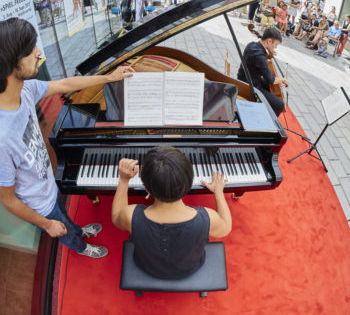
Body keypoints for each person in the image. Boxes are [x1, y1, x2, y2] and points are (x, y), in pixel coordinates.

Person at [0, 18, 135, 258]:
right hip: (38, 205)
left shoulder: (26, 89)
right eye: (32, 50)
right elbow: (8, 201)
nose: (38, 52)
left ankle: (78, 231)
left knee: (65, 220)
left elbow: (65, 83)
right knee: (61, 230)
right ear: (13, 62)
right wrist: (44, 223)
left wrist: (108, 78)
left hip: (48, 187)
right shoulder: (2, 138)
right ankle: (82, 247)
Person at [111, 146, 232, 279]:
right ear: (189, 183)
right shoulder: (207, 218)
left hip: (147, 267)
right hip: (190, 268)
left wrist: (123, 180)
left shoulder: (130, 215)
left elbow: (116, 217)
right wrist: (218, 192)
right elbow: (225, 227)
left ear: (146, 188)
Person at [237, 28, 288, 117]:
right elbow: (271, 80)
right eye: (275, 45)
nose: (275, 47)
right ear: (269, 41)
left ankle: (262, 108)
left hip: (243, 78)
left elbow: (258, 60)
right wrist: (283, 80)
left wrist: (269, 51)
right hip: (250, 86)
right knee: (279, 104)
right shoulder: (260, 57)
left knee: (269, 88)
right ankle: (268, 122)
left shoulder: (252, 45)